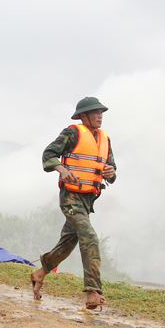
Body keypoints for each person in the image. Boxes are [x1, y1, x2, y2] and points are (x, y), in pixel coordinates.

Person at [30, 97, 117, 310]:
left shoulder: (105, 139)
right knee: (90, 237)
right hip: (70, 198)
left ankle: (39, 273)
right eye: (95, 113)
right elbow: (48, 154)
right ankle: (92, 292)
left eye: (101, 113)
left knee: (67, 245)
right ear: (83, 116)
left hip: (88, 199)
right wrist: (62, 169)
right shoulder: (72, 133)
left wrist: (111, 172)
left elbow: (112, 169)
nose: (99, 116)